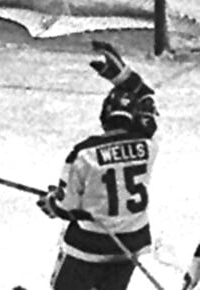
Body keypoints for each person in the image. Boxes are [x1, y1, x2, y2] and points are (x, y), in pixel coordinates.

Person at [35, 41, 158, 290]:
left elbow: (67, 205)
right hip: (131, 242)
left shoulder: (84, 153)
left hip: (89, 245)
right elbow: (148, 103)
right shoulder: (149, 145)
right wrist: (126, 78)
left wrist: (51, 202)